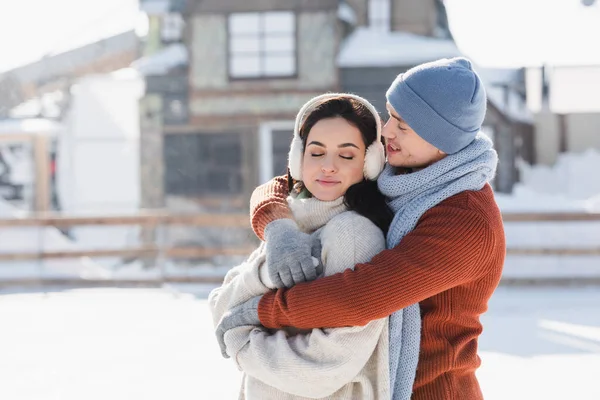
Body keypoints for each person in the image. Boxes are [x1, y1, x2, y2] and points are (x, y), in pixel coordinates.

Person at [216, 57, 506, 400]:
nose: (387, 131)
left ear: (441, 138)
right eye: (389, 115)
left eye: (403, 124)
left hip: (430, 390)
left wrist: (262, 311)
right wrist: (277, 226)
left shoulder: (465, 220)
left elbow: (360, 297)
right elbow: (294, 181)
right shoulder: (406, 170)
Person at [209, 93, 420, 399]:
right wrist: (268, 271)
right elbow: (221, 307)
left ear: (370, 162)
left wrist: (244, 346)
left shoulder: (353, 234)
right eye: (316, 153)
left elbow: (324, 367)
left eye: (346, 155)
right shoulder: (289, 223)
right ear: (298, 158)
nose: (328, 167)